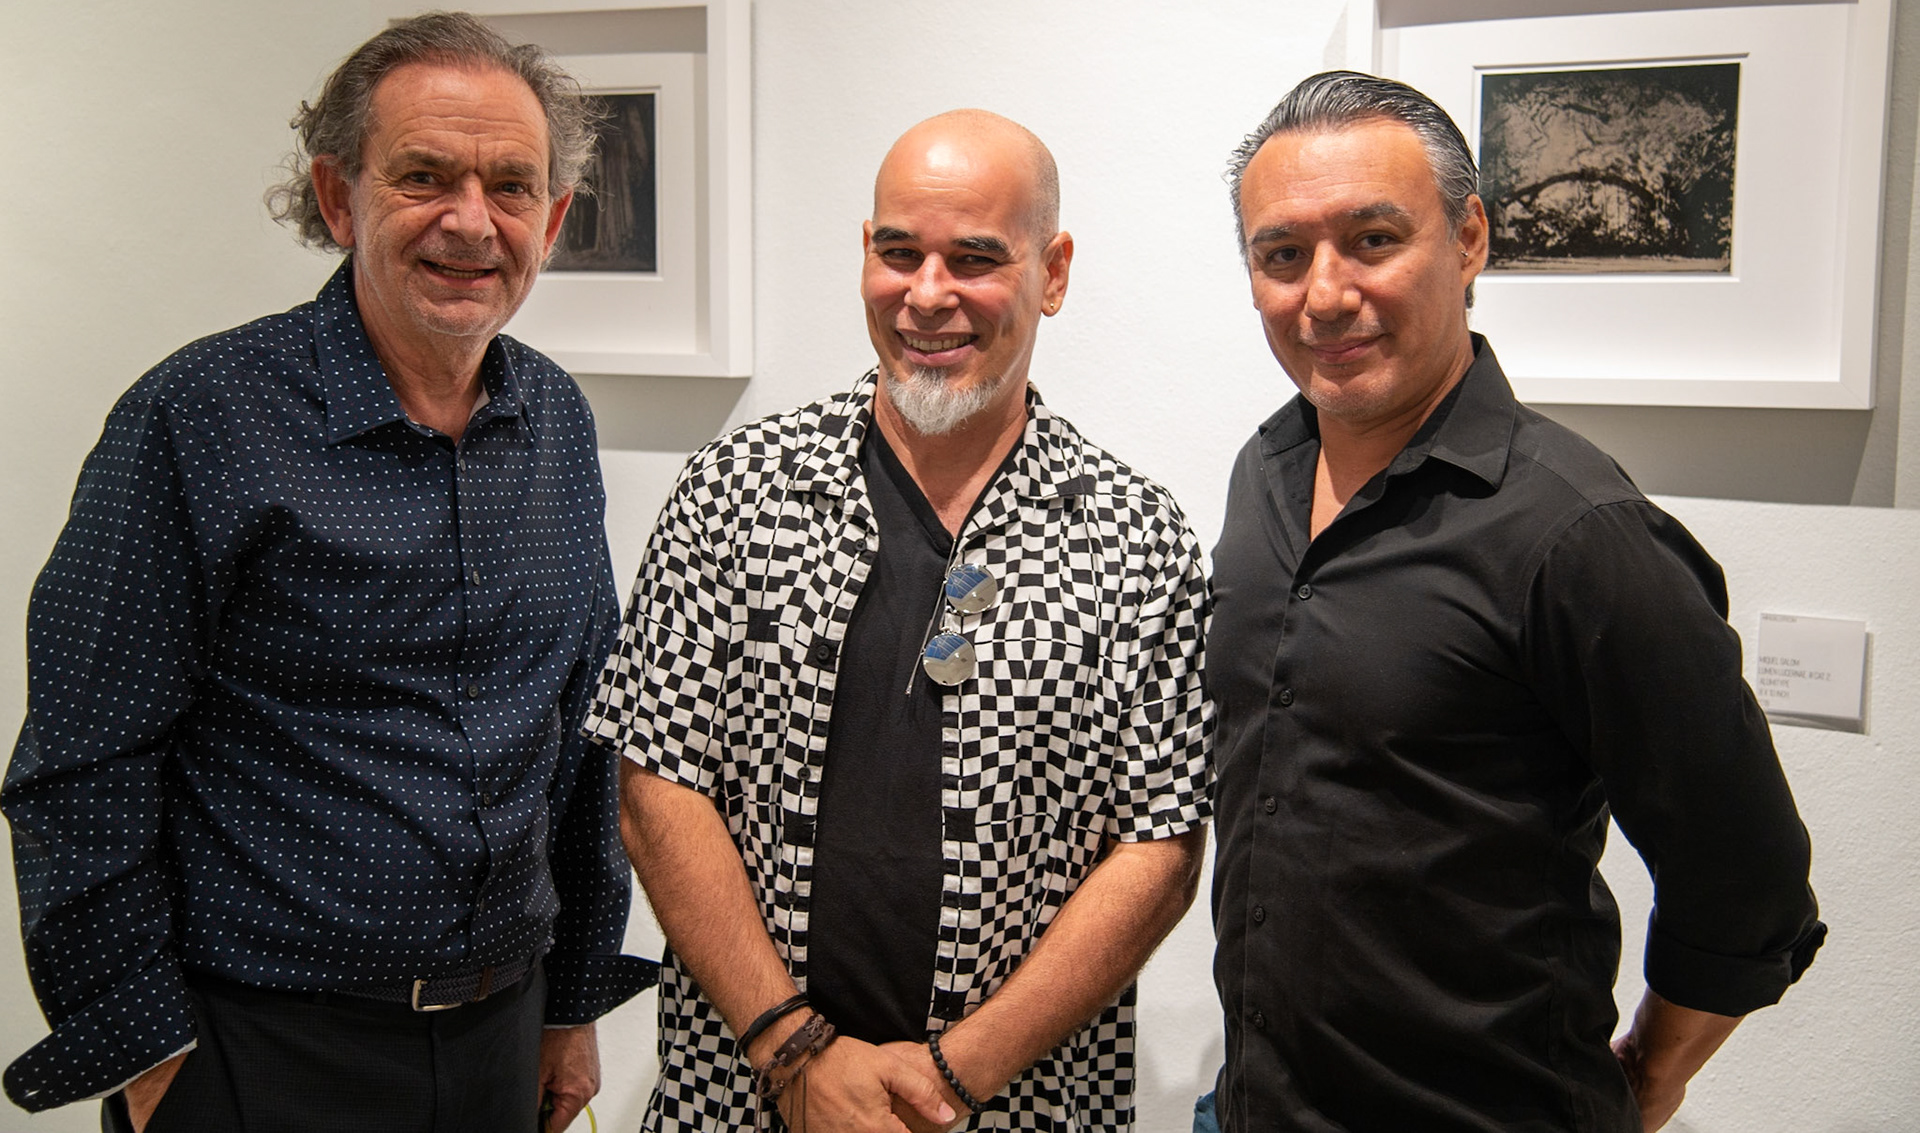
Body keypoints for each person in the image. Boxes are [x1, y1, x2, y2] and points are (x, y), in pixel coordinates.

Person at [3, 12, 656, 1133]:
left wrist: (575, 995)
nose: (472, 220)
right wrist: (149, 1052)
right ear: (339, 198)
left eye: (510, 186)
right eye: (424, 176)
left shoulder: (555, 418)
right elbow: (83, 758)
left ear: (551, 219)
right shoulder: (200, 418)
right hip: (260, 1051)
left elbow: (582, 734)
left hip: (503, 1034)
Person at [1207, 70, 1825, 1132]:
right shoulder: (1264, 470)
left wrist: (1653, 1074)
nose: (1326, 293)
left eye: (1372, 240)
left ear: (1469, 240)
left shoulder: (1578, 533)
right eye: (1284, 254)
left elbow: (1748, 878)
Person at [585, 110, 1213, 1131]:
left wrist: (951, 1080)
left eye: (975, 258)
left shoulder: (1137, 539)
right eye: (899, 252)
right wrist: (795, 1053)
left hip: (1016, 1105)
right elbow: (657, 783)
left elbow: (1161, 844)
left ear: (1053, 272)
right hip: (743, 1095)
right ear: (864, 254)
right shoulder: (735, 491)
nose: (927, 294)